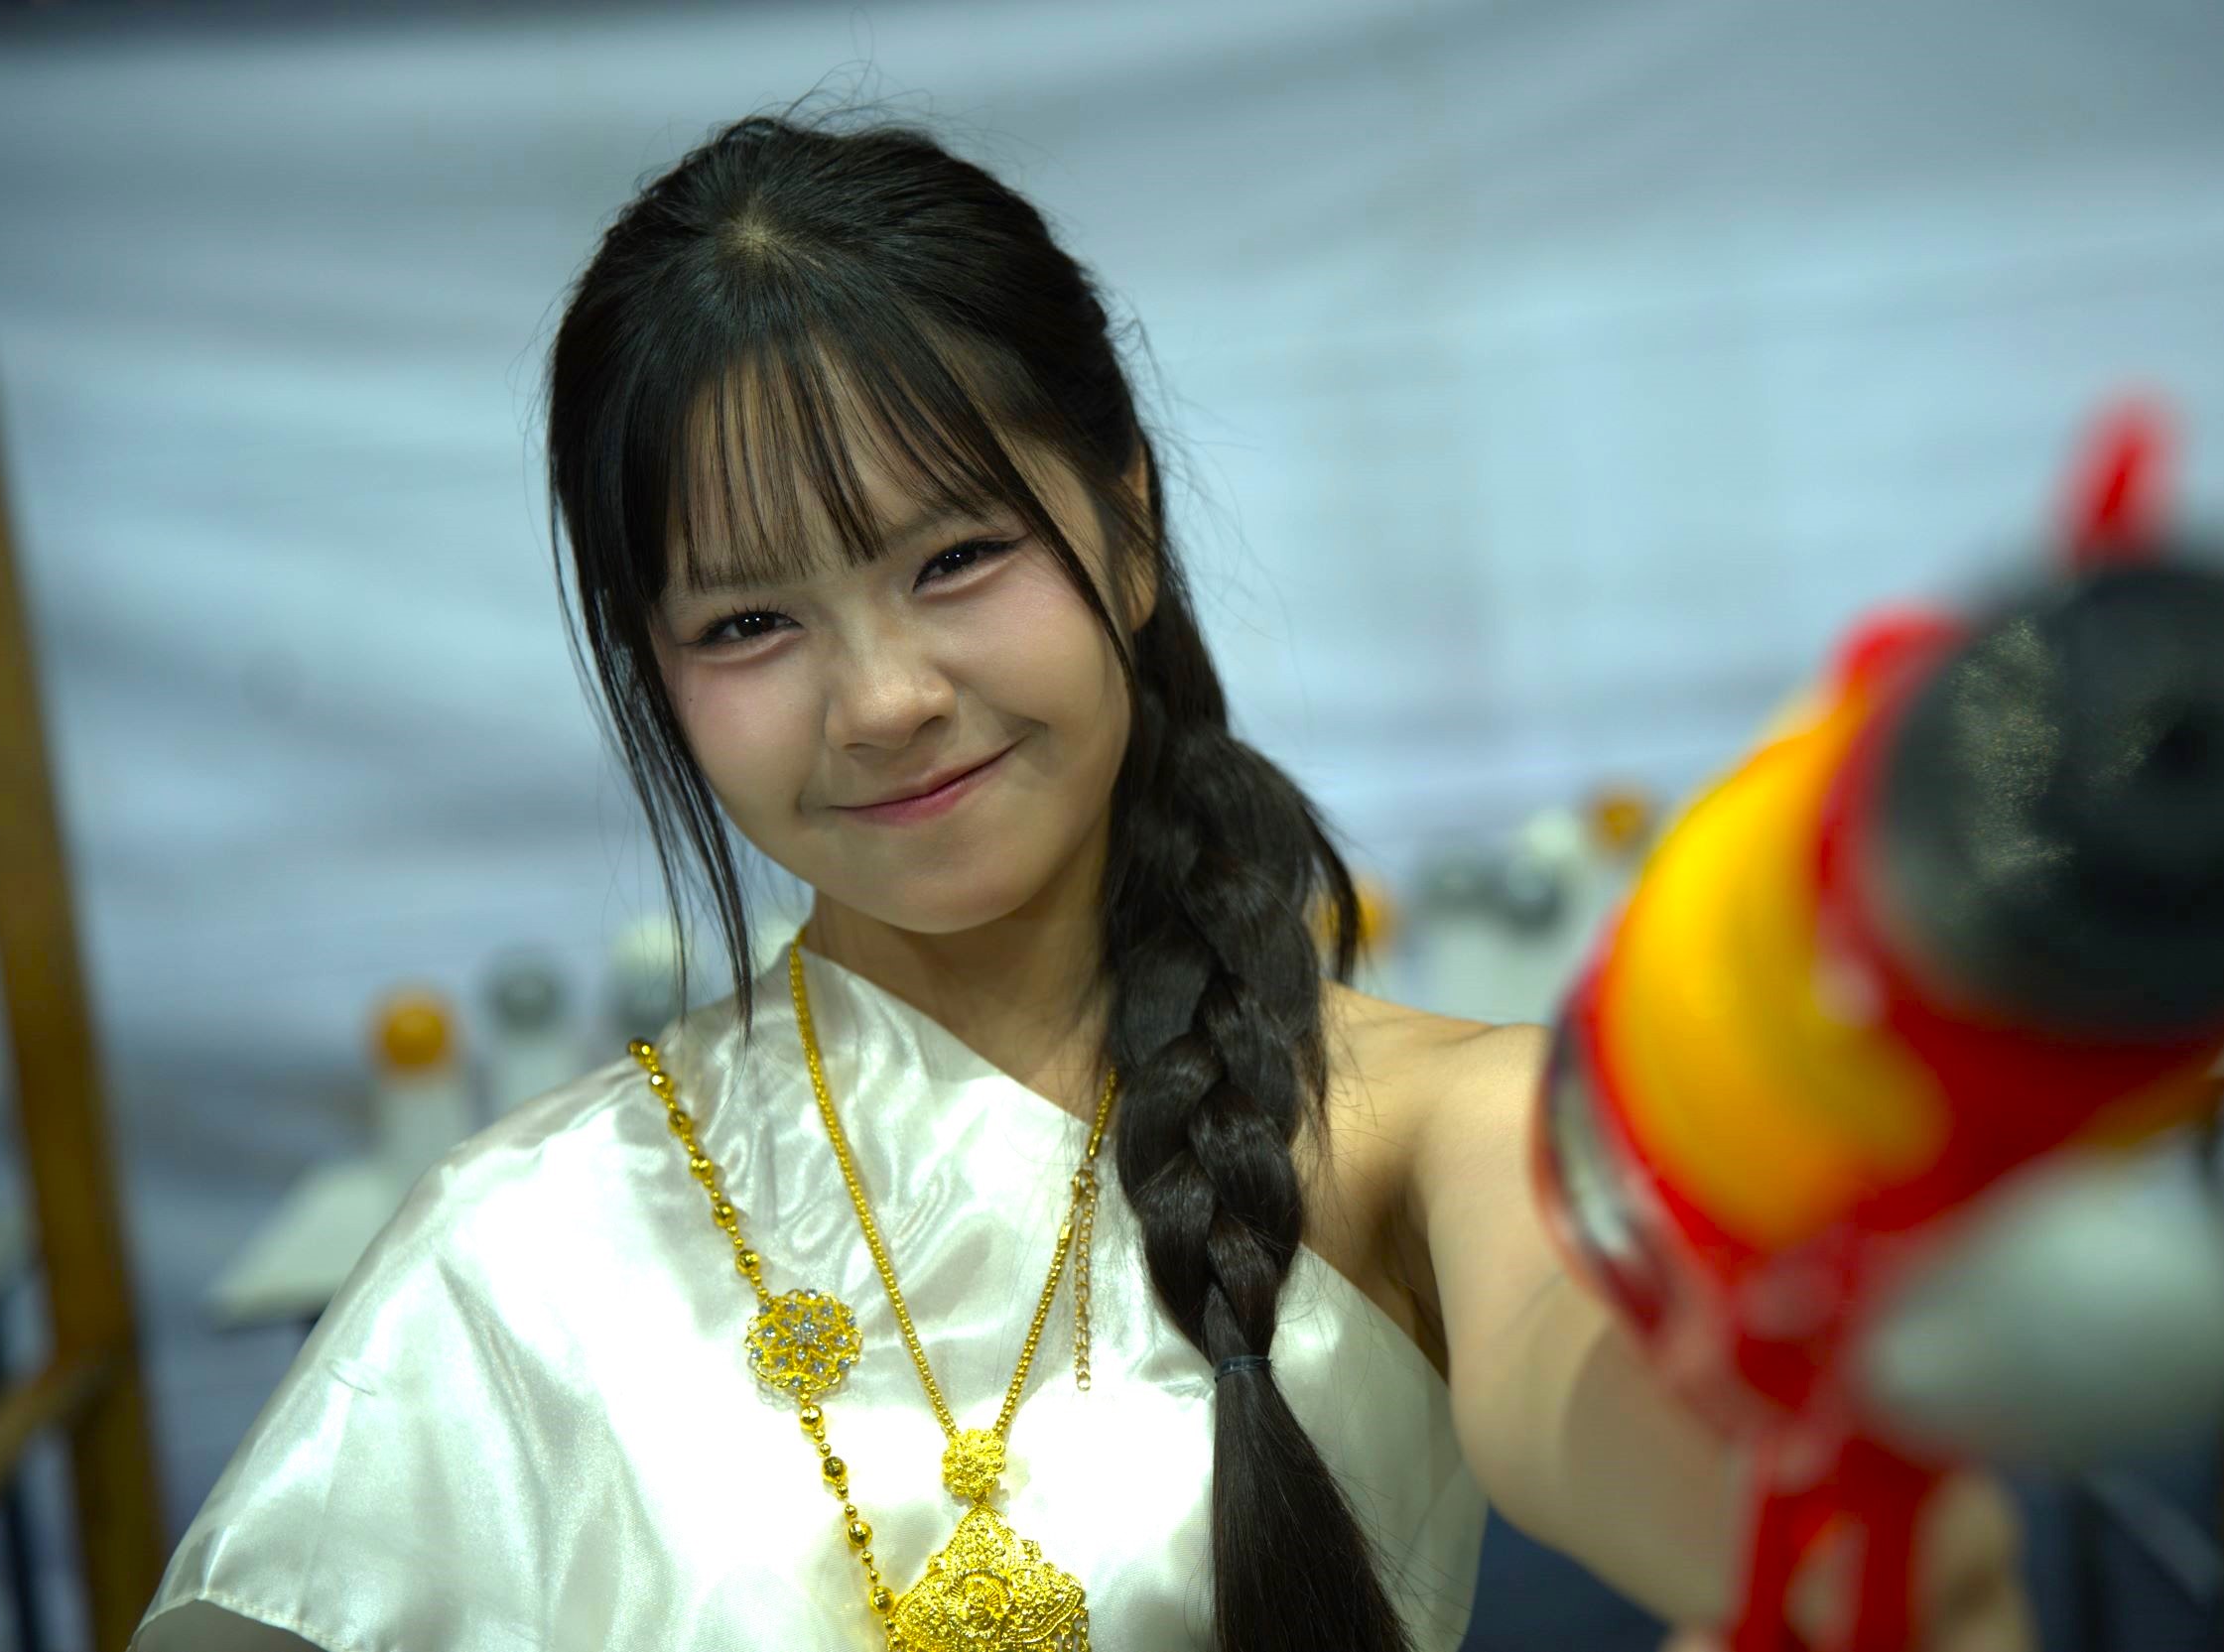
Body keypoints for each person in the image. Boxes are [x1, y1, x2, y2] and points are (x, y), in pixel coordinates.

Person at [133, 106, 2032, 1651]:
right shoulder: (517, 1250)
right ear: (656, 674)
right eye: (749, 621)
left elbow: (1639, 1407)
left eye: (955, 557)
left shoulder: (1417, 1127)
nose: (883, 697)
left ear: (1126, 526)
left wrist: (1802, 1533)